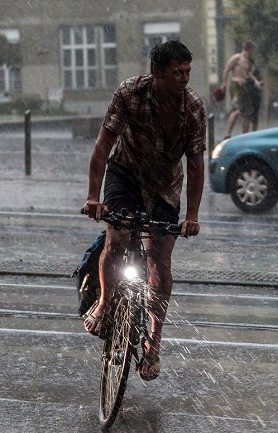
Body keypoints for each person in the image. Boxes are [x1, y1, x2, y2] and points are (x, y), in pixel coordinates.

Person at [82, 40, 206, 380]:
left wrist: (191, 216)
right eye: (177, 72)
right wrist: (94, 196)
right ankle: (106, 303)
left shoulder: (193, 107)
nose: (184, 78)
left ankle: (154, 342)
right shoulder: (130, 93)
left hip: (166, 184)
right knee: (117, 236)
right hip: (127, 173)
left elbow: (196, 164)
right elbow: (103, 145)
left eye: (188, 72)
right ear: (158, 73)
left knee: (159, 260)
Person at [221, 41, 262, 138]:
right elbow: (227, 69)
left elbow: (248, 74)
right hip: (236, 86)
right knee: (237, 111)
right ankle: (228, 133)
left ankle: (245, 136)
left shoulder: (248, 61)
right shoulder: (237, 58)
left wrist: (256, 81)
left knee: (245, 113)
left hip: (245, 88)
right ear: (250, 49)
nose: (253, 52)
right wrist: (224, 83)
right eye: (252, 49)